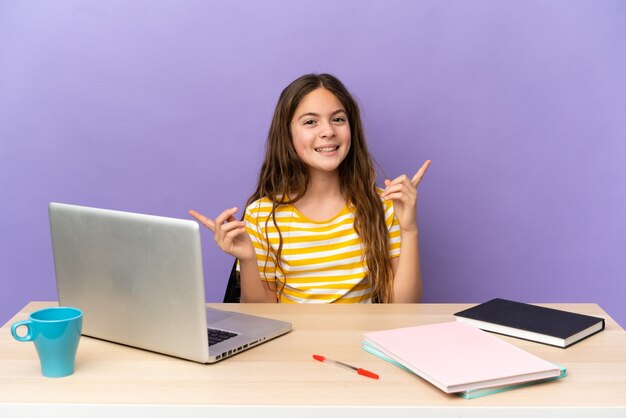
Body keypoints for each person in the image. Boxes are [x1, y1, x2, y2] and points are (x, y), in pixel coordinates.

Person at [189, 73, 430, 303]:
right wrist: (248, 259)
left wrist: (409, 230)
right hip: (293, 345)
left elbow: (402, 308)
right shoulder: (261, 214)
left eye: (338, 119)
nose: (328, 131)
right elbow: (260, 317)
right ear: (288, 134)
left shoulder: (382, 205)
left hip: (356, 343)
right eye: (310, 122)